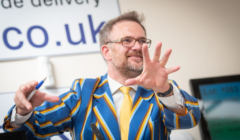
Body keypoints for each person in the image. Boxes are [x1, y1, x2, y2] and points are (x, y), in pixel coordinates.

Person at [3, 11, 200, 140]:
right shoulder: (83, 92)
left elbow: (191, 119)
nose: (138, 47)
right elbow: (30, 130)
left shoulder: (161, 90)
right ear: (106, 51)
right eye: (127, 40)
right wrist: (21, 111)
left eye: (141, 40)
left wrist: (165, 91)